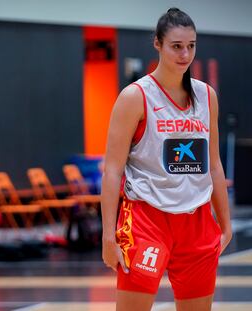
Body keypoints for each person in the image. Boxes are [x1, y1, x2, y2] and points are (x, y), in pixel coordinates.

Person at [101, 8, 232, 311]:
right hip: (147, 219)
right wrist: (108, 236)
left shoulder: (206, 96)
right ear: (158, 44)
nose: (185, 53)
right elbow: (112, 170)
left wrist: (225, 225)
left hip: (197, 221)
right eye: (176, 46)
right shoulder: (135, 97)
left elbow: (213, 164)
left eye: (191, 45)